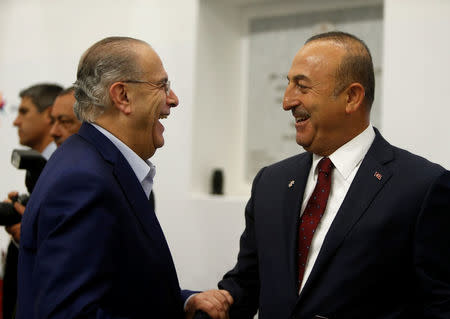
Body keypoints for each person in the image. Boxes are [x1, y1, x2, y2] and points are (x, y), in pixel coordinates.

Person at [192, 31, 450, 318]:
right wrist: (215, 304)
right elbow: (248, 281)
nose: (287, 101)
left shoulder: (422, 187)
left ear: (352, 97)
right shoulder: (271, 182)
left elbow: (440, 305)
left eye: (302, 87)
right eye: (288, 85)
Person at [16, 36, 232, 319]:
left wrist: (183, 303)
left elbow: (117, 289)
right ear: (123, 96)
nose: (173, 99)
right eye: (162, 85)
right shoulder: (84, 181)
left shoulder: (91, 163)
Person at [3, 83, 62, 319]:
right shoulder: (38, 168)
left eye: (24, 112)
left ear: (49, 115)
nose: (15, 121)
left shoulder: (63, 169)